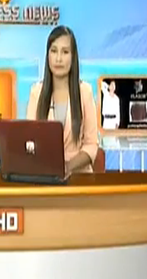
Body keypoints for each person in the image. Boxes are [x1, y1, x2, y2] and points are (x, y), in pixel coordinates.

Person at [26, 25, 98, 174]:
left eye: (65, 52)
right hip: (45, 175)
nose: (58, 59)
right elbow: (30, 142)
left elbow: (91, 145)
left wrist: (67, 167)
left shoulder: (85, 92)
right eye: (54, 51)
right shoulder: (36, 93)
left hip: (79, 176)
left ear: (73, 57)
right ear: (47, 55)